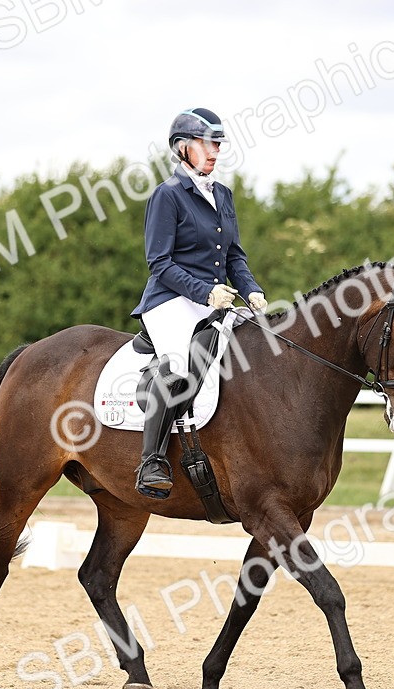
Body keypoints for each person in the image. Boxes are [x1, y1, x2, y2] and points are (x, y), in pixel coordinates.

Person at [130, 107, 268, 498]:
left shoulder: (222, 195)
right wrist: (205, 292)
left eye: (218, 144)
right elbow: (159, 262)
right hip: (171, 300)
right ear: (183, 148)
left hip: (214, 300)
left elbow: (234, 257)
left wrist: (251, 287)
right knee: (177, 367)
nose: (215, 151)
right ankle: (152, 461)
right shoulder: (168, 195)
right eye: (208, 144)